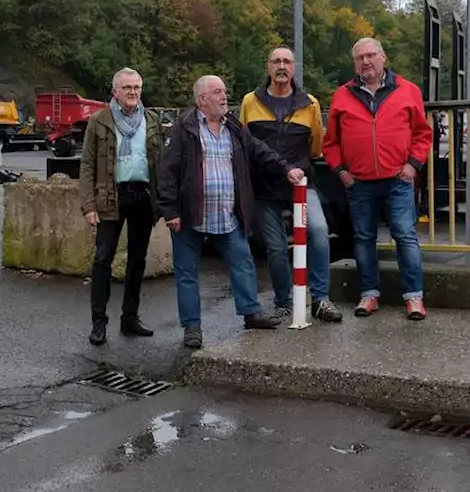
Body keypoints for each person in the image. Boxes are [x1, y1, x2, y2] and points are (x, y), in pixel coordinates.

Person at [158, 75, 307, 349]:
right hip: (191, 214)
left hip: (228, 213)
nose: (224, 97)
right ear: (202, 99)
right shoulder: (183, 130)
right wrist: (170, 211)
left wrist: (286, 169)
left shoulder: (235, 127)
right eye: (217, 92)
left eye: (224, 91)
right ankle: (192, 328)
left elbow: (261, 152)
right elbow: (166, 172)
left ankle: (251, 314)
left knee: (243, 262)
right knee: (187, 272)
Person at [322, 37, 433, 321]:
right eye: (360, 57)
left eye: (371, 55)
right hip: (359, 182)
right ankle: (369, 294)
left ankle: (414, 297)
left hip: (398, 180)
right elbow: (331, 142)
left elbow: (422, 133)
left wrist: (413, 165)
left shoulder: (408, 91)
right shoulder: (342, 96)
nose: (366, 61)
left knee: (405, 236)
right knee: (363, 239)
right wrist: (341, 171)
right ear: (354, 63)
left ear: (383, 57)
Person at [238, 46, 342, 323]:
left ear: (294, 68)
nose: (281, 66)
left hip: (300, 184)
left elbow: (316, 148)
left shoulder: (310, 104)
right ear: (268, 67)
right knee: (275, 247)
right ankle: (283, 301)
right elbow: (243, 144)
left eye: (286, 61)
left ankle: (320, 299)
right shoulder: (250, 102)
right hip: (264, 187)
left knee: (319, 232)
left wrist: (296, 168)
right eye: (276, 61)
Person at [78, 68, 165, 346]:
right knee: (103, 259)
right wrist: (88, 204)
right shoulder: (99, 121)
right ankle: (98, 322)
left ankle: (130, 318)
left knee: (137, 260)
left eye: (137, 87)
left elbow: (160, 163)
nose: (132, 92)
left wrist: (162, 201)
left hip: (142, 196)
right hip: (110, 196)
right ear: (115, 91)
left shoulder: (151, 120)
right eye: (127, 87)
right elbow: (87, 165)